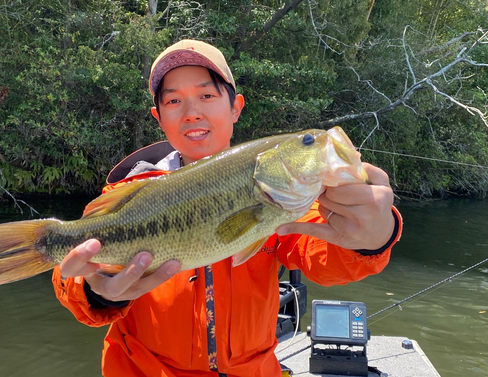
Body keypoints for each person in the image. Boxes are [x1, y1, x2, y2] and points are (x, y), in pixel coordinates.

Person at [52, 39, 403, 377]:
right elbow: (72, 275)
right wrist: (94, 290)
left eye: (206, 95)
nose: (192, 113)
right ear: (159, 117)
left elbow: (326, 255)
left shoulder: (286, 199)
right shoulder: (127, 191)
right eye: (174, 101)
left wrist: (373, 237)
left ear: (235, 107)